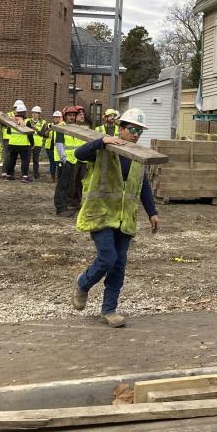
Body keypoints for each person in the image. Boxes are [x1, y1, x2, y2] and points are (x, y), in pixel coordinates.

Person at [70, 108, 160, 328]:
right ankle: (83, 283)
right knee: (107, 258)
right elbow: (79, 154)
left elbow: (143, 185)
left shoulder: (138, 155)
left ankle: (109, 310)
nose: (136, 134)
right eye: (131, 129)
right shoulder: (104, 148)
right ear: (120, 128)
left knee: (119, 264)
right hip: (101, 213)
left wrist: (152, 212)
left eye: (139, 131)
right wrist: (101, 141)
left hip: (124, 217)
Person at [53, 106, 81, 216]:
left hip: (73, 160)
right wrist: (64, 160)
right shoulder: (61, 128)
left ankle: (64, 206)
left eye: (74, 115)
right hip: (65, 161)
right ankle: (60, 209)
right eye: (70, 115)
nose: (72, 117)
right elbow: (59, 144)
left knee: (69, 185)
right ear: (65, 116)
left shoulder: (74, 128)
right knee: (62, 185)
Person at [3, 100, 34, 183]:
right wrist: (32, 144)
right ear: (24, 112)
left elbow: (8, 132)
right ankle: (25, 176)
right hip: (23, 144)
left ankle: (9, 175)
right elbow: (30, 134)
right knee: (25, 160)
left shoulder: (12, 121)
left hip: (12, 143)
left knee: (12, 160)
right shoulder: (27, 121)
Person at [29, 106, 48, 180]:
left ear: (39, 114)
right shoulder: (28, 121)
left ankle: (36, 174)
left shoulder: (43, 122)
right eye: (33, 113)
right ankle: (26, 174)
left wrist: (36, 129)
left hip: (37, 143)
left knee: (35, 160)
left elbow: (42, 134)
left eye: (36, 113)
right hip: (29, 142)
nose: (34, 114)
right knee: (27, 159)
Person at [47, 110, 63, 182]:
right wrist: (49, 130)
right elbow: (44, 135)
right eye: (55, 117)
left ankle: (59, 177)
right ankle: (52, 176)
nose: (56, 119)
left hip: (59, 148)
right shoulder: (49, 125)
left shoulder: (63, 125)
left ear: (60, 118)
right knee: (52, 163)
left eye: (57, 117)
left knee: (59, 163)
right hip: (50, 147)